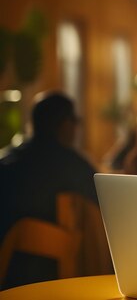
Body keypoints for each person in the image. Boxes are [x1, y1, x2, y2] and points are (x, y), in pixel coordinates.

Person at [0, 91, 99, 289]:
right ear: (64, 124)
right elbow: (104, 198)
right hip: (43, 273)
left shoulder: (8, 158)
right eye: (75, 121)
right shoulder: (68, 162)